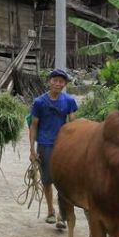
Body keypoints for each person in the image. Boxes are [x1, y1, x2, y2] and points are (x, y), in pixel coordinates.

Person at [29, 68, 78, 228]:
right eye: (55, 80)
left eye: (61, 81)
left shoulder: (69, 101)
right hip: (45, 145)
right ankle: (50, 211)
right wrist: (32, 150)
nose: (58, 83)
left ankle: (61, 215)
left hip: (63, 146)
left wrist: (74, 145)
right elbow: (33, 126)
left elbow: (73, 124)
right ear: (49, 81)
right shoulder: (39, 102)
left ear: (65, 84)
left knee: (63, 181)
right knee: (48, 180)